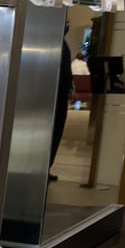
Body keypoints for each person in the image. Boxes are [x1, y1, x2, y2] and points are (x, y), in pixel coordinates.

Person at [48, 24, 72, 182]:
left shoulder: (61, 43)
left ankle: (46, 166)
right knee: (53, 131)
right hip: (55, 95)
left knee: (55, 132)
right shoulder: (56, 43)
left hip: (59, 94)